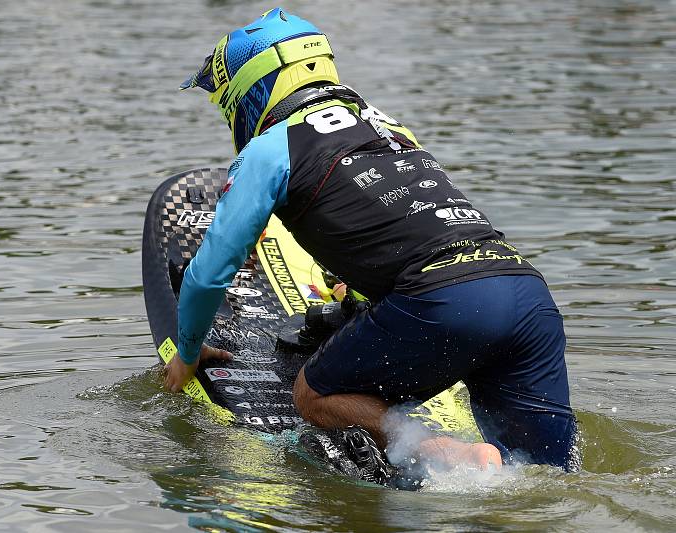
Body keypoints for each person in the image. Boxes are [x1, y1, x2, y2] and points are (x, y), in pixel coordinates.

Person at [165, 7, 578, 473]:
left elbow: (208, 273)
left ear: (249, 89)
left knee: (314, 394)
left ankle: (448, 454)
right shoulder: (389, 127)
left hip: (442, 303)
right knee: (549, 479)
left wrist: (187, 351)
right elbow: (399, 223)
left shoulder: (272, 147)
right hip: (527, 295)